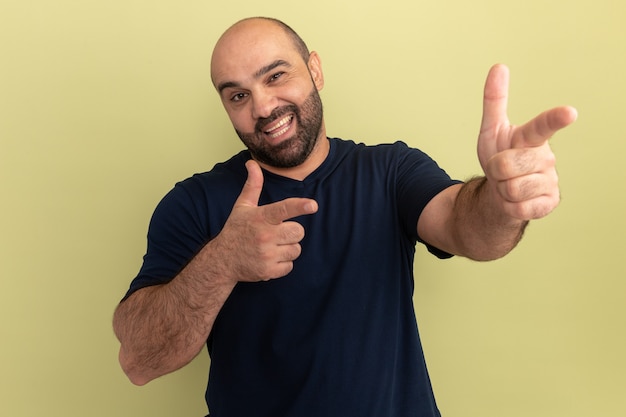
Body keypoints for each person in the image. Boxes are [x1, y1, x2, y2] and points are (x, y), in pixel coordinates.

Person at [113, 17, 577, 417]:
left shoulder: (391, 171)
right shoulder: (194, 203)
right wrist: (223, 262)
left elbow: (468, 230)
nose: (263, 107)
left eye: (275, 76)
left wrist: (501, 199)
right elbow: (139, 360)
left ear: (314, 68)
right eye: (238, 95)